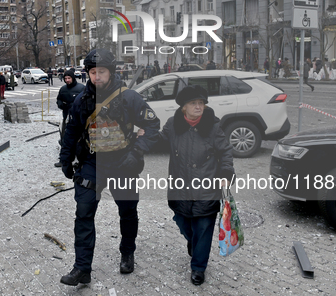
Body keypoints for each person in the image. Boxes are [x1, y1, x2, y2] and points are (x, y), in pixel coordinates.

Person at [58, 49, 160, 286]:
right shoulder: (81, 100)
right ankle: (82, 268)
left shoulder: (130, 98)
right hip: (92, 164)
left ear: (110, 72)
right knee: (83, 213)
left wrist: (137, 151)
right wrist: (65, 159)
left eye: (101, 71)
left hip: (124, 162)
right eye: (92, 72)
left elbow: (153, 126)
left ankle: (127, 251)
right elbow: (71, 132)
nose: (97, 77)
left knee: (127, 211)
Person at [159, 85, 235, 286]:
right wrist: (141, 135)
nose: (198, 106)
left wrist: (226, 174)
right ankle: (192, 242)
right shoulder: (172, 125)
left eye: (201, 103)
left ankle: (198, 267)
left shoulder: (213, 127)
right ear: (184, 107)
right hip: (180, 188)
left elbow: (226, 152)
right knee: (183, 222)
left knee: (203, 228)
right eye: (193, 103)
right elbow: (158, 142)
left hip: (207, 188)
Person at [54, 69, 85, 167]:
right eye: (65, 78)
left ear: (73, 78)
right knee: (65, 139)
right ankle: (64, 160)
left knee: (81, 139)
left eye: (69, 78)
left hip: (79, 119)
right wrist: (60, 104)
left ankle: (82, 160)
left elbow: (86, 102)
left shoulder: (81, 88)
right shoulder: (63, 89)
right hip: (66, 118)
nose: (67, 80)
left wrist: (74, 106)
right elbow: (59, 99)